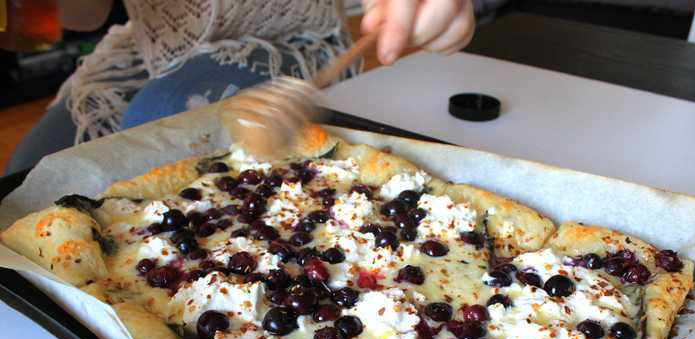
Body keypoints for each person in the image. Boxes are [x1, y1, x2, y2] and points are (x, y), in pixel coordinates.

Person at [7, 0, 474, 174]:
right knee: (27, 176)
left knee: (160, 119)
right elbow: (84, 13)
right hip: (147, 50)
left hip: (283, 43)